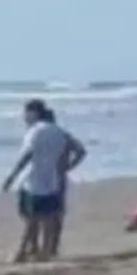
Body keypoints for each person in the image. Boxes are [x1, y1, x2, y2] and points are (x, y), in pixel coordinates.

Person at [1, 99, 84, 263]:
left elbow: (27, 155)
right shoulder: (59, 131)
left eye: (26, 113)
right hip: (52, 179)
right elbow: (79, 150)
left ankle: (22, 252)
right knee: (48, 218)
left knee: (31, 219)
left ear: (33, 113)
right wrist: (67, 167)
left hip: (33, 179)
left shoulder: (35, 131)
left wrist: (11, 177)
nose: (24, 116)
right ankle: (46, 251)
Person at [41, 107, 86, 259]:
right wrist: (68, 166)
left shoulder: (46, 135)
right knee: (56, 213)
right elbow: (80, 151)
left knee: (43, 213)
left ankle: (46, 246)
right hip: (58, 176)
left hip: (46, 177)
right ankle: (52, 246)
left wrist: (68, 166)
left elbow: (81, 151)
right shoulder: (62, 135)